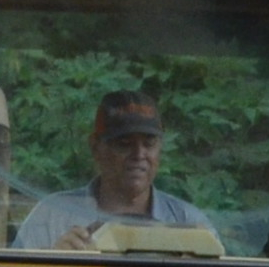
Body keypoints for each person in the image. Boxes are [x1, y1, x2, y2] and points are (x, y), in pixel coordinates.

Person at [17, 92, 217, 250]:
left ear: (160, 149)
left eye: (149, 144)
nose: (139, 154)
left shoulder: (188, 221)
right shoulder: (52, 214)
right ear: (96, 147)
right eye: (124, 144)